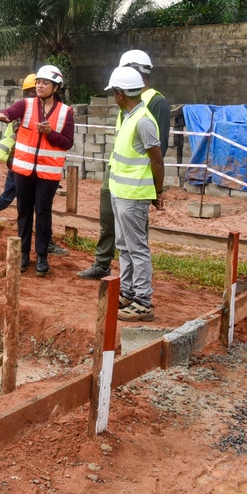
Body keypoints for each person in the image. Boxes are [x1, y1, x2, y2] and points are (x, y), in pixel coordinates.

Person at [78, 50, 170, 280]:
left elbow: (158, 151)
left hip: (136, 180)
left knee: (133, 236)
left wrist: (152, 187)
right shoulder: (126, 100)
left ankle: (136, 285)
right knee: (109, 220)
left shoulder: (155, 102)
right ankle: (104, 263)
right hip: (117, 173)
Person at [0, 73, 69, 256]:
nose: (38, 90)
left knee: (36, 206)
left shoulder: (39, 108)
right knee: (15, 200)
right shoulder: (25, 110)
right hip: (21, 164)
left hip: (29, 164)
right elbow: (26, 136)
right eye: (35, 87)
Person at [0, 65, 75, 276]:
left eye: (45, 83)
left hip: (47, 174)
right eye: (38, 82)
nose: (39, 86)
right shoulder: (26, 104)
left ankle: (41, 256)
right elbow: (11, 112)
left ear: (56, 87)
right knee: (23, 212)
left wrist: (50, 133)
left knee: (42, 213)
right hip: (23, 171)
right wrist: (4, 115)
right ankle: (23, 255)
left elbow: (67, 142)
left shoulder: (65, 112)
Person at [103, 65, 165, 321]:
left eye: (113, 93)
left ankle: (143, 301)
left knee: (137, 248)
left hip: (134, 196)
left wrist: (158, 192)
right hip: (121, 193)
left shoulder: (143, 121)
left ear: (120, 94)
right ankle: (128, 291)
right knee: (124, 246)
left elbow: (157, 161)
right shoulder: (130, 117)